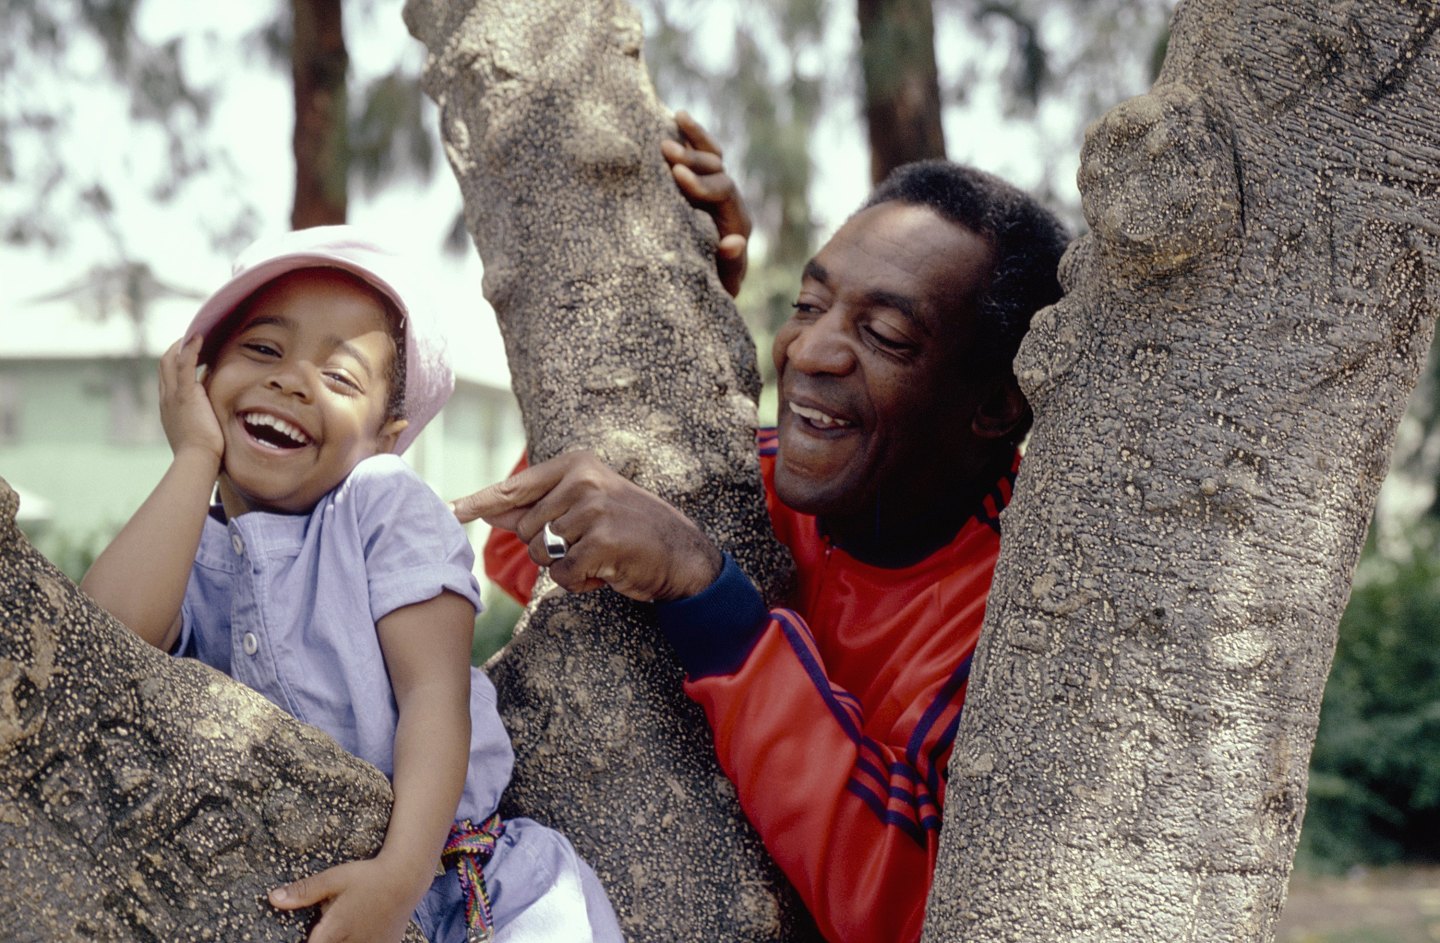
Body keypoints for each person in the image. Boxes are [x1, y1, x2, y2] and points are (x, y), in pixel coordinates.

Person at [456, 114, 1070, 943]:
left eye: (884, 334)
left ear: (997, 406)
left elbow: (907, 905)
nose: (811, 349)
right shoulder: (767, 465)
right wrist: (691, 333)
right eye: (809, 303)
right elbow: (518, 555)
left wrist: (711, 598)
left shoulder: (1024, 609)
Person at [81, 226, 623, 943]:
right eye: (263, 350)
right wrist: (194, 454)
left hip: (464, 886)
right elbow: (99, 643)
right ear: (202, 376)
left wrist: (399, 876)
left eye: (339, 378)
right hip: (294, 901)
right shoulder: (190, 545)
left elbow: (436, 694)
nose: (292, 380)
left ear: (384, 435)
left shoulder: (380, 501)